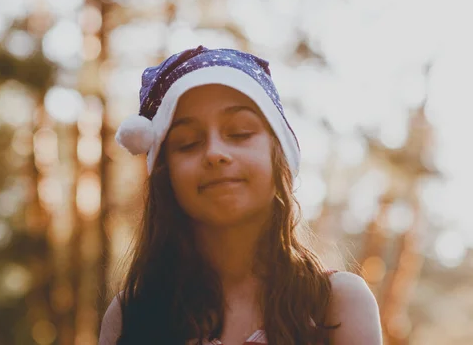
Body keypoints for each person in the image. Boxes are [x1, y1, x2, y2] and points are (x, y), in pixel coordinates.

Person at [99, 46, 382, 345]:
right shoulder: (129, 317)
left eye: (239, 132)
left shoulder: (338, 304)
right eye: (188, 142)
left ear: (280, 156)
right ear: (165, 175)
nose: (215, 153)